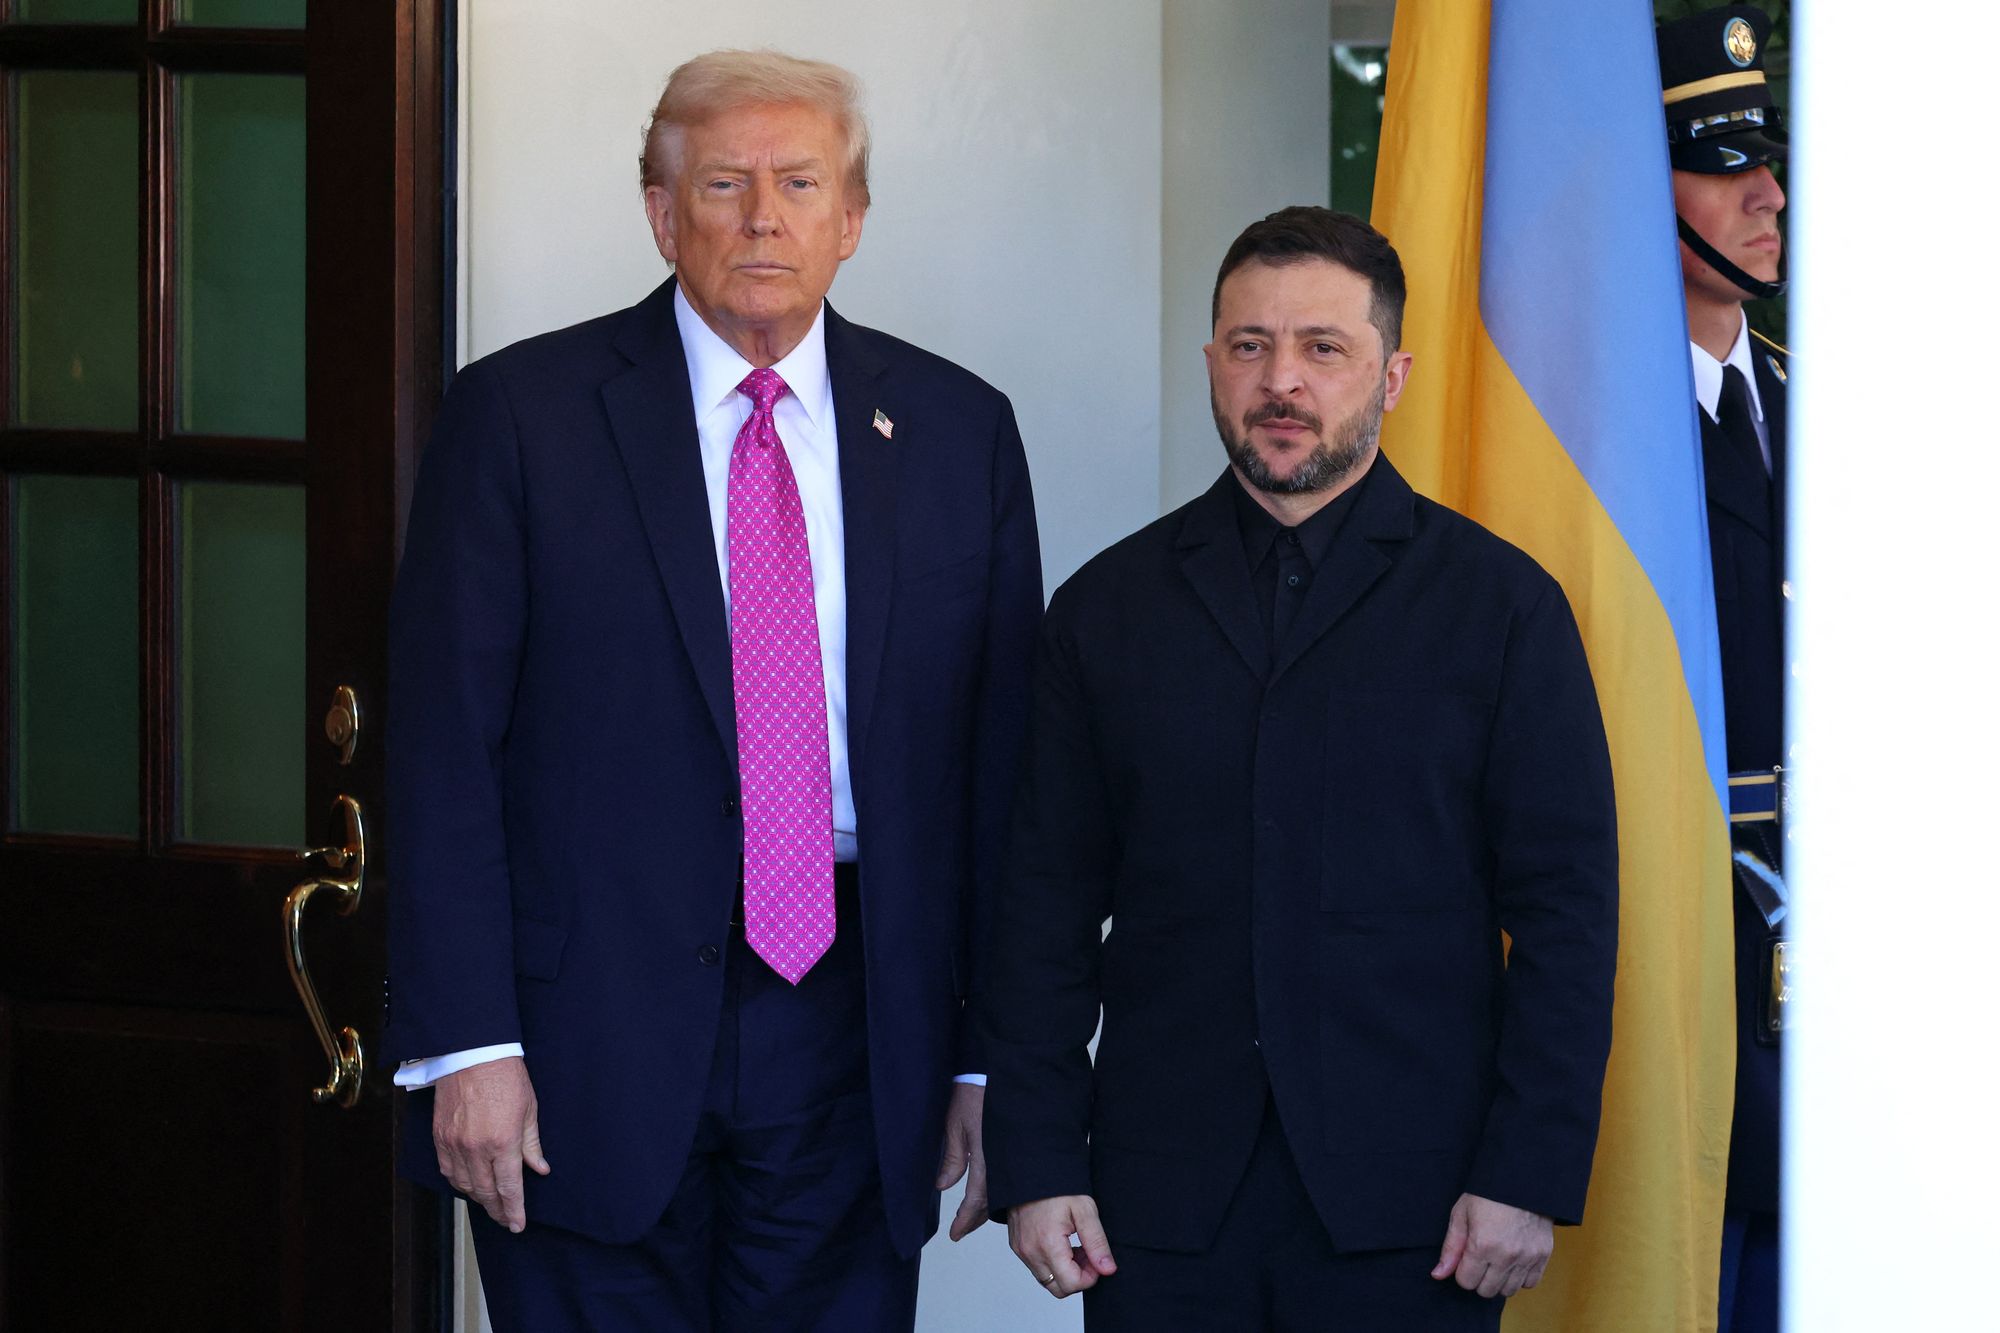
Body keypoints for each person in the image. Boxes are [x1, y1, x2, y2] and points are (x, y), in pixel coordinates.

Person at [382, 49, 1042, 1331]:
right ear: (657, 209)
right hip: (581, 1043)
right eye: (724, 182)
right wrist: (468, 1043)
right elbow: (441, 750)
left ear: (849, 221)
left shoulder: (960, 430)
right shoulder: (520, 415)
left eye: (800, 183)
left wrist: (986, 1051)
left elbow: (1000, 769)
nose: (761, 217)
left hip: (860, 1029)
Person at [978, 207, 1620, 1331]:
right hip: (1158, 1207)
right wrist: (1035, 1156)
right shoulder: (1104, 611)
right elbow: (1041, 911)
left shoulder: (1501, 609)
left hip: (1420, 1212)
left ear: (1391, 373)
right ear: (1211, 362)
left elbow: (1567, 913)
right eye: (1247, 345)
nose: (1281, 380)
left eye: (1323, 348)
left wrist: (1525, 1169)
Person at [1657, 8, 1790, 1331]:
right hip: (1679, 930)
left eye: (1770, 158)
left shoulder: (1826, 403)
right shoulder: (1595, 444)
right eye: (1721, 160)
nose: (1769, 193)